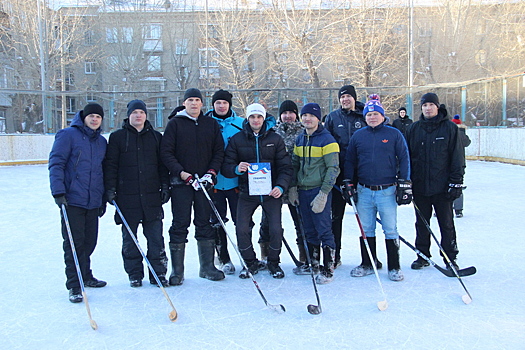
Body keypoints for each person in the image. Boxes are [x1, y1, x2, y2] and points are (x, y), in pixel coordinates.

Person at [160, 88, 226, 285]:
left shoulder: (210, 124)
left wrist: (211, 173)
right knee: (180, 224)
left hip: (204, 184)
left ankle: (207, 267)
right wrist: (182, 174)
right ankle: (177, 271)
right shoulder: (175, 124)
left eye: (198, 100)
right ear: (184, 103)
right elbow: (166, 153)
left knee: (204, 223)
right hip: (182, 184)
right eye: (191, 100)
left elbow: (218, 151)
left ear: (202, 104)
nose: (194, 103)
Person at [342, 95, 411, 282]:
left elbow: (404, 158)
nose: (372, 117)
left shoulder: (393, 134)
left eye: (375, 114)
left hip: (387, 190)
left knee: (390, 229)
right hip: (364, 190)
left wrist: (405, 183)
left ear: (382, 115)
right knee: (366, 229)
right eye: (369, 114)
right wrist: (348, 182)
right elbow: (350, 161)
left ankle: (394, 266)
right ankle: (369, 263)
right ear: (364, 117)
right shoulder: (359, 136)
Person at [222, 103, 293, 279]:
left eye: (259, 117)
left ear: (264, 118)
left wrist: (280, 186)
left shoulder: (275, 139)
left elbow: (286, 167)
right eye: (252, 117)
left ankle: (274, 263)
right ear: (248, 118)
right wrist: (237, 168)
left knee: (276, 229)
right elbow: (226, 166)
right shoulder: (238, 139)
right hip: (247, 193)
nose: (255, 120)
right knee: (242, 228)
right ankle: (250, 262)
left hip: (271, 193)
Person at [104, 100, 170, 288]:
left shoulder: (156, 137)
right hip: (127, 198)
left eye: (141, 112)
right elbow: (111, 166)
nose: (138, 115)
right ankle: (134, 273)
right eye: (135, 112)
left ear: (146, 115)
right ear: (129, 115)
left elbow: (162, 166)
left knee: (156, 239)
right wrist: (110, 189)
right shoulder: (117, 138)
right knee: (130, 239)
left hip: (151, 198)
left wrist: (165, 186)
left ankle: (158, 273)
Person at [49, 103, 107, 303]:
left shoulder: (101, 142)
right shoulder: (68, 135)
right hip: (72, 199)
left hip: (93, 200)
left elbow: (102, 171)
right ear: (83, 117)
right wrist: (58, 191)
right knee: (74, 243)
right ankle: (74, 284)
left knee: (90, 242)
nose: (94, 119)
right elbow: (56, 163)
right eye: (91, 116)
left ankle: (86, 275)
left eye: (98, 117)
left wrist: (103, 198)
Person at [406, 93, 465, 271]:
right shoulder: (414, 129)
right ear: (421, 108)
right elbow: (406, 157)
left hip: (442, 187)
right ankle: (422, 255)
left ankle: (450, 257)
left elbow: (457, 158)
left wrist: (456, 182)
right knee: (422, 223)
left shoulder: (449, 128)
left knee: (446, 223)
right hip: (420, 186)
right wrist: (406, 182)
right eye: (425, 105)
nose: (428, 108)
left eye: (431, 105)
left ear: (437, 107)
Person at [291, 103, 340, 284]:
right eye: (304, 116)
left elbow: (333, 168)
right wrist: (293, 187)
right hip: (303, 191)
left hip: (318, 191)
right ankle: (314, 263)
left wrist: (324, 193)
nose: (307, 119)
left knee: (324, 230)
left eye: (311, 116)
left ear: (318, 118)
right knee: (309, 231)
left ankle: (328, 268)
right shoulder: (300, 139)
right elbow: (295, 164)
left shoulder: (327, 140)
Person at [258, 100, 306, 264]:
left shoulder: (303, 132)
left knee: (300, 221)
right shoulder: (272, 131)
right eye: (284, 113)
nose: (287, 116)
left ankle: (305, 255)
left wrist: (295, 184)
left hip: (294, 184)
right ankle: (266, 254)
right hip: (274, 184)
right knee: (268, 221)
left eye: (291, 113)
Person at [324, 85, 367, 268]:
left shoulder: (365, 114)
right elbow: (326, 142)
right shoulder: (333, 117)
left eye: (349, 96)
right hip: (339, 175)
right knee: (336, 217)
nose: (345, 99)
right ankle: (335, 255)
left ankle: (368, 258)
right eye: (342, 97)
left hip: (362, 174)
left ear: (354, 98)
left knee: (366, 217)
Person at [204, 89, 244, 274]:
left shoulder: (240, 123)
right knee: (217, 222)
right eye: (217, 103)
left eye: (224, 103)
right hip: (213, 183)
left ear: (230, 105)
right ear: (212, 105)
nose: (221, 106)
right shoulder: (205, 123)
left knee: (242, 221)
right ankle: (223, 258)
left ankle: (246, 256)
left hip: (236, 182)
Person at [451, 114, 471, 218]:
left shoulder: (458, 134)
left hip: (458, 164)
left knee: (456, 186)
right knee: (453, 186)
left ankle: (457, 209)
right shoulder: (460, 134)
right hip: (456, 163)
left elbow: (467, 142)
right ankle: (456, 209)